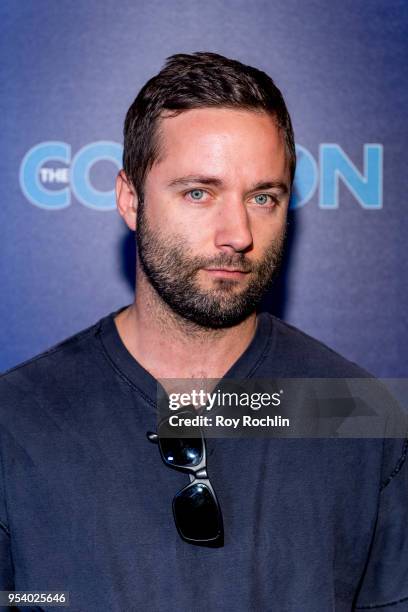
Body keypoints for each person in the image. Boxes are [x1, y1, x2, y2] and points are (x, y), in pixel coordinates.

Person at [0, 51, 407, 611]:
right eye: (199, 192)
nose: (238, 232)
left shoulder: (359, 415)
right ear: (129, 199)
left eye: (264, 197)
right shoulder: (19, 419)